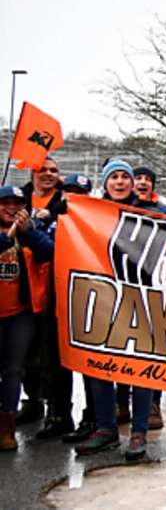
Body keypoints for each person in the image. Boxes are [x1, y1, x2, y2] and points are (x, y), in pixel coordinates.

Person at [74, 160, 155, 460]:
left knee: (142, 368)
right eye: (114, 177)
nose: (119, 182)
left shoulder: (151, 213)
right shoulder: (91, 213)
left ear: (132, 183)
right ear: (105, 183)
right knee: (100, 365)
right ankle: (106, 428)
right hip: (103, 300)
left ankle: (139, 432)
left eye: (124, 177)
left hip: (140, 300)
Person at [116, 165, 166, 430]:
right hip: (122, 288)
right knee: (121, 346)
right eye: (137, 178)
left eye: (147, 179)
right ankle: (121, 402)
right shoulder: (117, 209)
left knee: (151, 349)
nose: (142, 182)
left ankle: (153, 403)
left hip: (153, 289)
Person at [0, 185, 55, 452]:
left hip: (20, 314)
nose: (12, 208)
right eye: (6, 203)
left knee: (13, 371)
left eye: (17, 204)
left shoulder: (32, 229)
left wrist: (27, 232)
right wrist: (7, 238)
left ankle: (6, 427)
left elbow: (49, 253)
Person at [11, 158, 62, 432]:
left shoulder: (64, 201)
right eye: (43, 169)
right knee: (25, 352)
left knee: (49, 353)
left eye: (53, 170)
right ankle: (32, 402)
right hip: (21, 286)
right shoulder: (18, 200)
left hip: (52, 287)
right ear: (32, 173)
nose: (48, 174)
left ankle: (55, 407)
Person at [55, 174, 103, 444]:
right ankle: (59, 415)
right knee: (59, 362)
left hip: (90, 301)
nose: (74, 196)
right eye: (69, 191)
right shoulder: (54, 218)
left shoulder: (96, 220)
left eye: (80, 192)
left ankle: (93, 417)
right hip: (59, 299)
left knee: (91, 364)